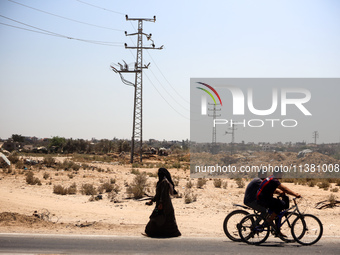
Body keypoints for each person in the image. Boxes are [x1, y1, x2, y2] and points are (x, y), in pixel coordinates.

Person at [256, 170, 301, 236]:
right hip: (263, 199)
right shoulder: (274, 180)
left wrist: (280, 192)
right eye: (281, 173)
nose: (282, 175)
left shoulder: (270, 177)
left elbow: (270, 188)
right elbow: (285, 189)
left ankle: (277, 231)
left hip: (262, 197)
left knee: (277, 213)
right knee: (281, 204)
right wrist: (295, 194)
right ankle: (270, 220)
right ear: (278, 173)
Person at [144, 168, 181, 237]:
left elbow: (163, 194)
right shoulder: (160, 182)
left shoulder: (164, 182)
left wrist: (161, 203)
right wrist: (152, 200)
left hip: (165, 204)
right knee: (159, 218)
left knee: (160, 218)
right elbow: (158, 194)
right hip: (161, 203)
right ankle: (156, 233)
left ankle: (169, 233)